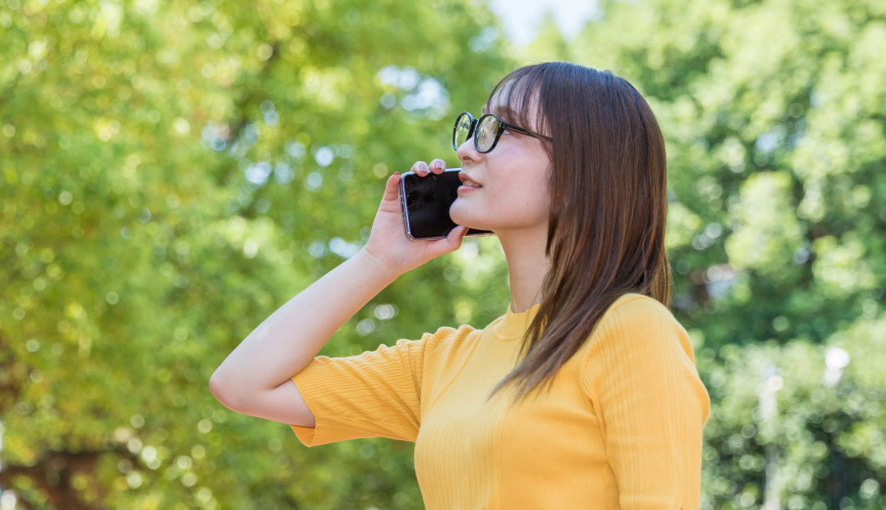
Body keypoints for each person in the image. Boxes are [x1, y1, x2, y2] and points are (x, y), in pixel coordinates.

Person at [209, 61, 710, 510]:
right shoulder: (443, 362)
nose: (467, 149)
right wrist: (377, 261)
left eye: (502, 130)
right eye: (474, 127)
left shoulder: (631, 332)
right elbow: (242, 383)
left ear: (581, 170)